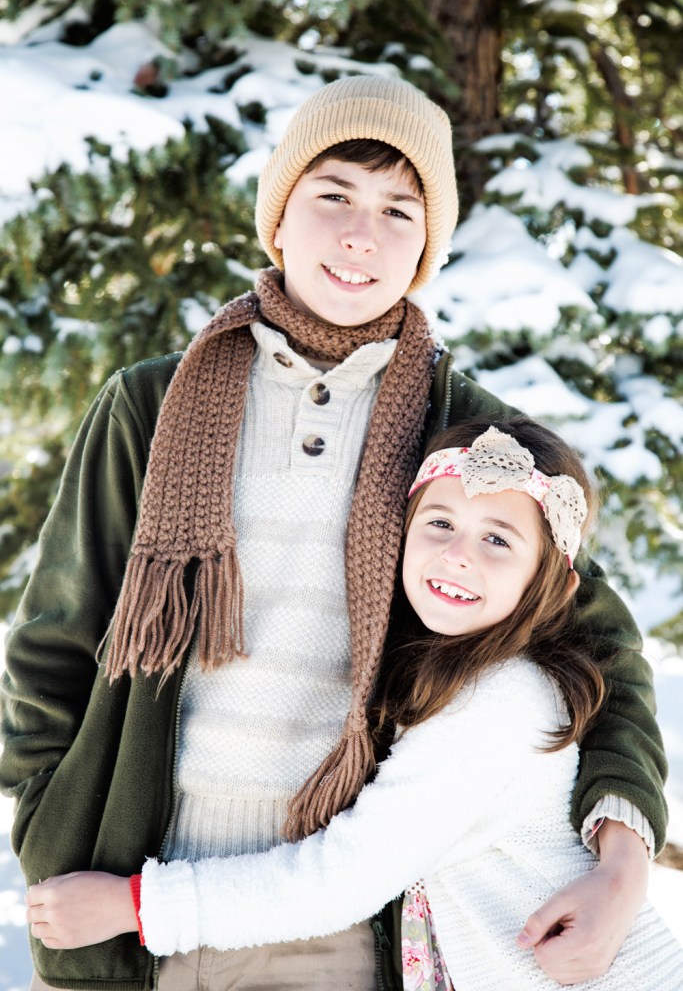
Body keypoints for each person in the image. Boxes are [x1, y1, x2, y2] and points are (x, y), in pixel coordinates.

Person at [0, 75, 667, 991]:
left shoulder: (468, 438)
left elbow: (602, 654)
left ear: (426, 247)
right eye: (333, 195)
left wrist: (624, 862)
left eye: (399, 210)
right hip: (122, 890)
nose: (362, 234)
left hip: (332, 908)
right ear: (278, 216)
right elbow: (53, 642)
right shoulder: (148, 404)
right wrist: (52, 823)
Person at [22, 418, 683, 991]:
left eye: (497, 540)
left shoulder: (495, 703)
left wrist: (136, 906)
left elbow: (341, 877)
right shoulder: (458, 673)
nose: (457, 555)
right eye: (440, 523)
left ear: (554, 584)